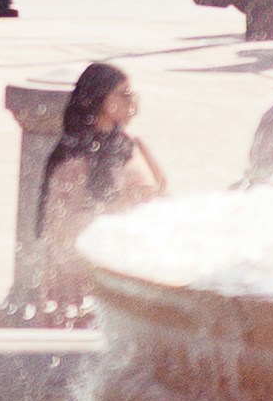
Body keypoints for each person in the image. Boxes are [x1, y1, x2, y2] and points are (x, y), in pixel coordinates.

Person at [19, 65, 166, 321]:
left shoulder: (132, 145)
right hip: (92, 283)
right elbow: (59, 232)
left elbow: (163, 199)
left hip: (137, 272)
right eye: (124, 94)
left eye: (132, 94)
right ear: (99, 98)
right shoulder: (73, 158)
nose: (132, 102)